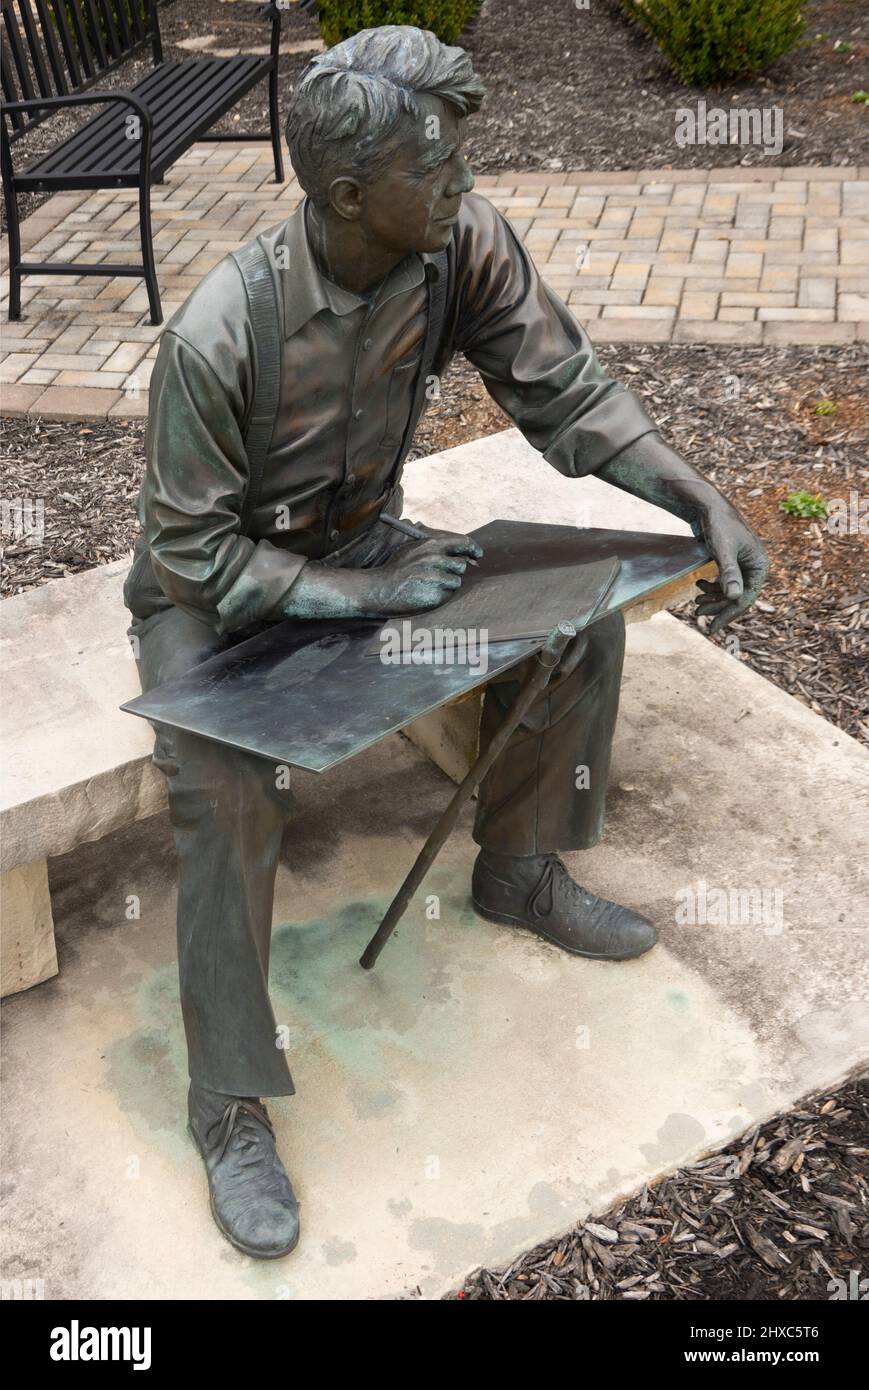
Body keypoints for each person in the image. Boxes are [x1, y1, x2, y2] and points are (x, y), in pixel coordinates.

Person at [124, 25, 768, 1259]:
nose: (467, 184)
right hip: (215, 593)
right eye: (440, 168)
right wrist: (364, 598)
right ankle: (226, 1093)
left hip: (367, 546)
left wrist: (698, 499)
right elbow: (193, 555)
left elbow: (566, 392)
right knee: (221, 781)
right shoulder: (216, 335)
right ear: (350, 193)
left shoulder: (455, 241)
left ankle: (516, 867)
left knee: (571, 611)